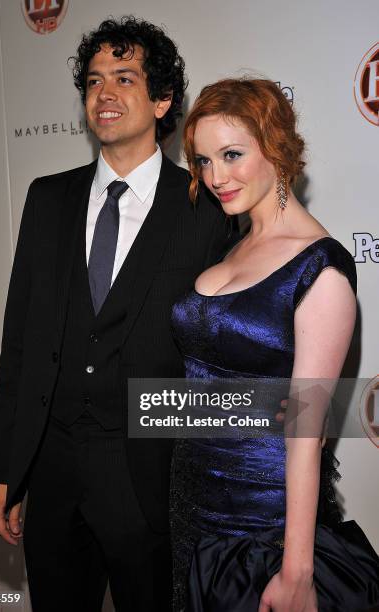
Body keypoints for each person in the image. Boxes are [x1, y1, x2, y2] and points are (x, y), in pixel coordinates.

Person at [0, 17, 234, 611]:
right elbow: (18, 342)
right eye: (94, 81)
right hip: (53, 472)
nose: (105, 93)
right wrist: (5, 470)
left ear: (163, 99)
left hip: (151, 479)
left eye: (125, 77)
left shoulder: (206, 208)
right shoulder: (47, 199)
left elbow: (220, 362)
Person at [170, 78, 379, 611]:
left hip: (261, 530)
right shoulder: (234, 245)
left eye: (232, 154)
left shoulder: (320, 268)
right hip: (192, 511)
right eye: (202, 161)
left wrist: (297, 571)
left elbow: (305, 432)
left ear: (276, 147)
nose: (216, 177)